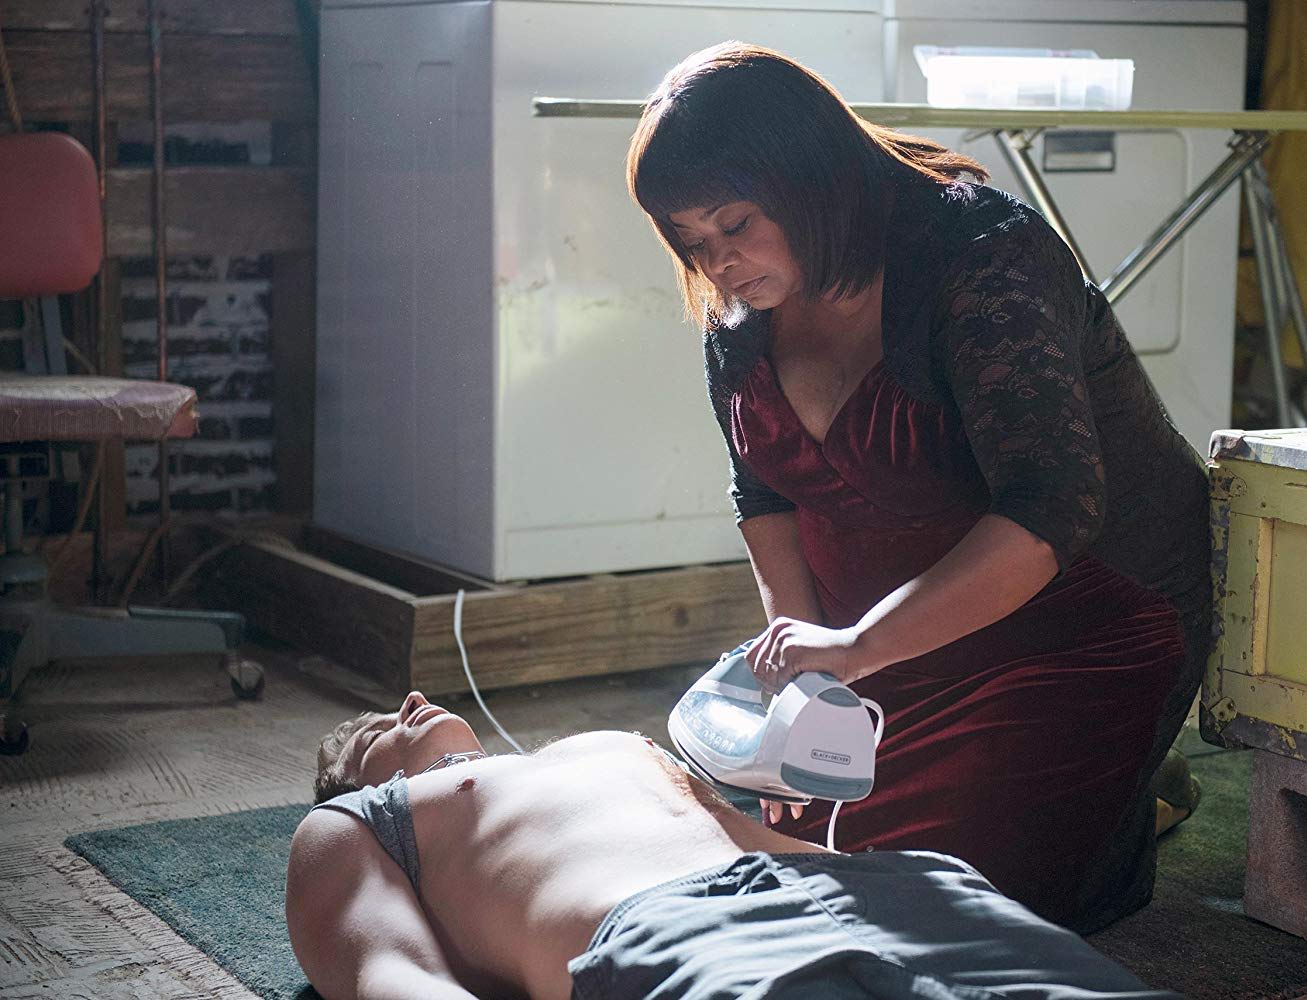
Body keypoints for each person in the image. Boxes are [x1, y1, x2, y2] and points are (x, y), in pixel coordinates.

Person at [624, 42, 1209, 933]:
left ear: (808, 176)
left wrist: (856, 648)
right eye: (691, 242)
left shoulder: (984, 256)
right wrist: (800, 682)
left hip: (1077, 623)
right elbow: (763, 494)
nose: (718, 264)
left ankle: (1128, 785)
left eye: (734, 224)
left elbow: (1052, 507)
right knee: (753, 851)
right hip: (867, 644)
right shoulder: (740, 308)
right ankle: (1132, 790)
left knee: (920, 904)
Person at [287, 691, 1183, 1000]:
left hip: (901, 889)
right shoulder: (357, 824)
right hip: (684, 931)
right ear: (353, 783)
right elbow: (392, 978)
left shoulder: (590, 749)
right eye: (373, 732)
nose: (410, 704)